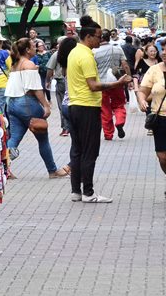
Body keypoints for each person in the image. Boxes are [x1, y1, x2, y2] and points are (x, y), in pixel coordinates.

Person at [67, 16, 131, 203]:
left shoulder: (74, 52)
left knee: (77, 149)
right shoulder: (86, 56)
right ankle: (88, 192)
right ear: (88, 37)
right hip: (87, 106)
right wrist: (116, 83)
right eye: (97, 35)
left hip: (75, 106)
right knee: (90, 151)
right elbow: (93, 86)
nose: (100, 39)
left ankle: (76, 191)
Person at [4, 38, 69, 178]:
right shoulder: (29, 64)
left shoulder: (14, 65)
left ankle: (3, 169)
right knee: (43, 139)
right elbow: (36, 89)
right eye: (33, 46)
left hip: (12, 104)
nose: (36, 48)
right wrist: (46, 105)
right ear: (27, 50)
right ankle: (52, 171)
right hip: (27, 103)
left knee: (14, 138)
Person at [136, 53, 166, 189]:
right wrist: (142, 100)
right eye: (163, 49)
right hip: (159, 118)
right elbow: (143, 91)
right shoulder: (154, 70)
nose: (164, 52)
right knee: (162, 157)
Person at [94, 30, 130, 140]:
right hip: (117, 82)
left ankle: (108, 134)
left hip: (102, 84)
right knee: (119, 105)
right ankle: (119, 121)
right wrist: (129, 78)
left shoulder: (94, 52)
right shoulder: (117, 49)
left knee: (105, 110)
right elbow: (125, 65)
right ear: (110, 37)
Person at [47, 36, 77, 137]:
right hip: (75, 81)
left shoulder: (57, 54)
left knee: (63, 104)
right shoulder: (76, 54)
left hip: (61, 81)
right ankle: (73, 126)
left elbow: (50, 69)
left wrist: (48, 81)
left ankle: (65, 128)